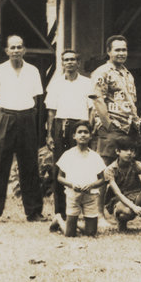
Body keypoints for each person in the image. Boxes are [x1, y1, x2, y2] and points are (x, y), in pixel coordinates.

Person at [0, 35, 45, 223]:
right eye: (13, 47)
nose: (16, 50)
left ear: (24, 50)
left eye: (19, 47)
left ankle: (34, 211)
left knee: (30, 165)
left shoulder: (33, 71)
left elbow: (36, 99)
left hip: (26, 117)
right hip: (6, 117)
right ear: (7, 51)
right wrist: (8, 113)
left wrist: (25, 113)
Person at [92, 34, 140, 220]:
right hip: (112, 128)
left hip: (128, 128)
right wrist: (109, 126)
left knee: (125, 170)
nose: (121, 53)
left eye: (124, 49)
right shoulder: (102, 72)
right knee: (105, 170)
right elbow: (97, 99)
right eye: (117, 49)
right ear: (108, 51)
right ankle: (98, 214)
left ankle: (118, 209)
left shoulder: (127, 73)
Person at [45, 49, 94, 223]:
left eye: (73, 59)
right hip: (61, 126)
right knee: (61, 167)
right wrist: (50, 134)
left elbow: (91, 109)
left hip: (80, 125)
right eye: (66, 60)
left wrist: (88, 130)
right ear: (62, 63)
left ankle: (81, 211)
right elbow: (51, 111)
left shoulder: (87, 83)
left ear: (78, 63)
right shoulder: (56, 84)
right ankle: (60, 212)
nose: (70, 62)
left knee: (81, 166)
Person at [53, 121, 107, 237]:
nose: (83, 135)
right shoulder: (68, 154)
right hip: (73, 195)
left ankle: (75, 224)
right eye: (79, 132)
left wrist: (91, 185)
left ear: (90, 136)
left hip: (90, 196)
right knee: (70, 235)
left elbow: (102, 179)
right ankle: (59, 220)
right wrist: (72, 185)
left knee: (91, 234)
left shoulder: (95, 157)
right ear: (74, 136)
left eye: (86, 132)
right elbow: (59, 177)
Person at [104, 135, 141, 233]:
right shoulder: (110, 169)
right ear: (118, 151)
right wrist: (134, 208)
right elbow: (118, 193)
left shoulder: (135, 164)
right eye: (125, 150)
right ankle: (121, 222)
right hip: (118, 200)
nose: (129, 153)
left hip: (136, 196)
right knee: (127, 213)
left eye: (132, 150)